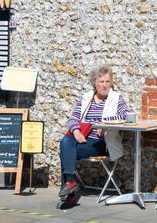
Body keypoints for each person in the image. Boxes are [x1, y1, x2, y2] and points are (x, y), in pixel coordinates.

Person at [57, 65, 132, 209]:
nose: (104, 85)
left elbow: (125, 116)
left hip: (102, 143)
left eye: (107, 82)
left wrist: (104, 124)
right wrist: (76, 131)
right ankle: (70, 184)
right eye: (101, 82)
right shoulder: (86, 98)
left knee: (66, 152)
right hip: (83, 138)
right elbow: (73, 118)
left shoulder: (116, 99)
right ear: (95, 83)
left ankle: (69, 192)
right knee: (66, 142)